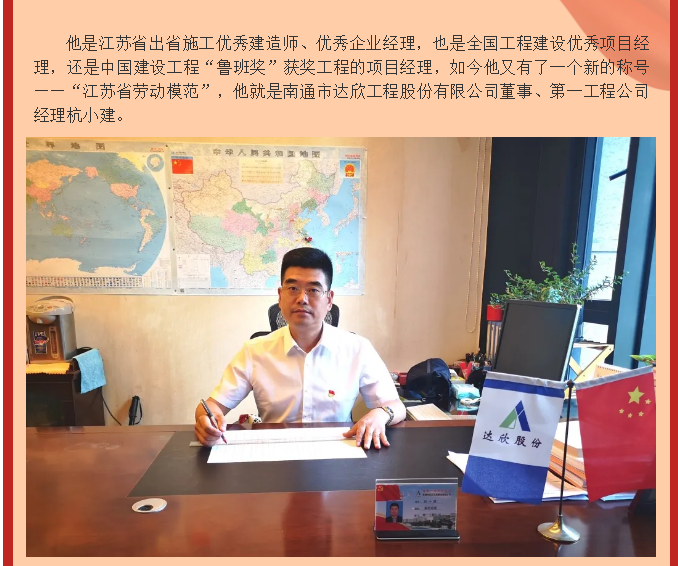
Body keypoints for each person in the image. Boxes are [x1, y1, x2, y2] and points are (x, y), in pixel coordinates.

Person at [195, 247, 406, 449]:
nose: (302, 299)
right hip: (275, 455)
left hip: (338, 453)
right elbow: (212, 406)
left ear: (329, 300)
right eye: (293, 288)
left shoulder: (357, 349)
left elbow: (396, 406)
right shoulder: (254, 351)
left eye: (313, 290)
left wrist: (381, 414)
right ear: (280, 296)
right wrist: (206, 420)